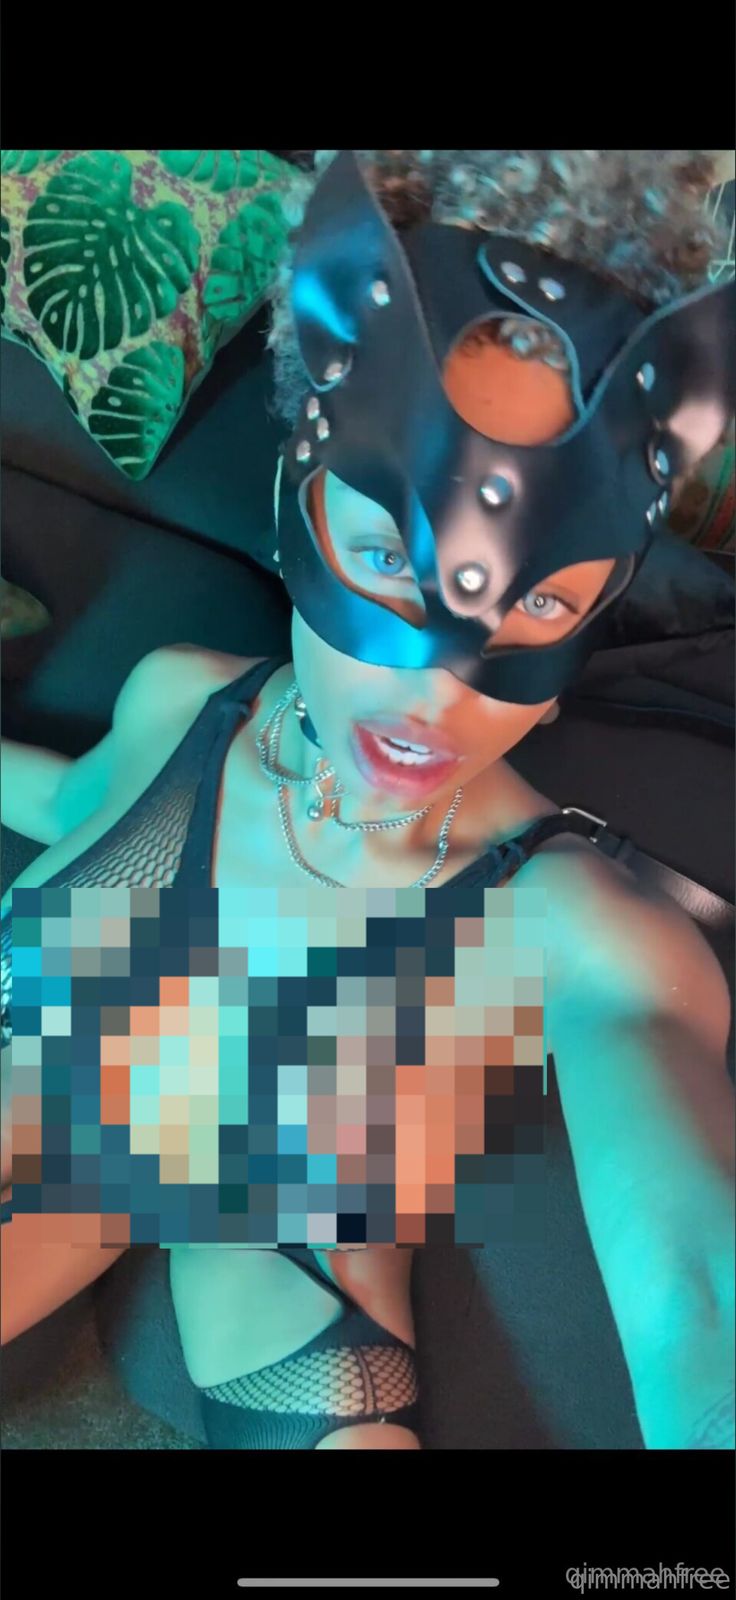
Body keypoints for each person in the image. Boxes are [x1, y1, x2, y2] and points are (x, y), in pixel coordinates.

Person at [1, 149, 734, 1453]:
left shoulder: (581, 932)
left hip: (280, 1279)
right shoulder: (183, 702)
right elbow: (79, 808)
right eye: (390, 557)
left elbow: (696, 1300)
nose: (434, 696)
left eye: (540, 600)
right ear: (303, 502)